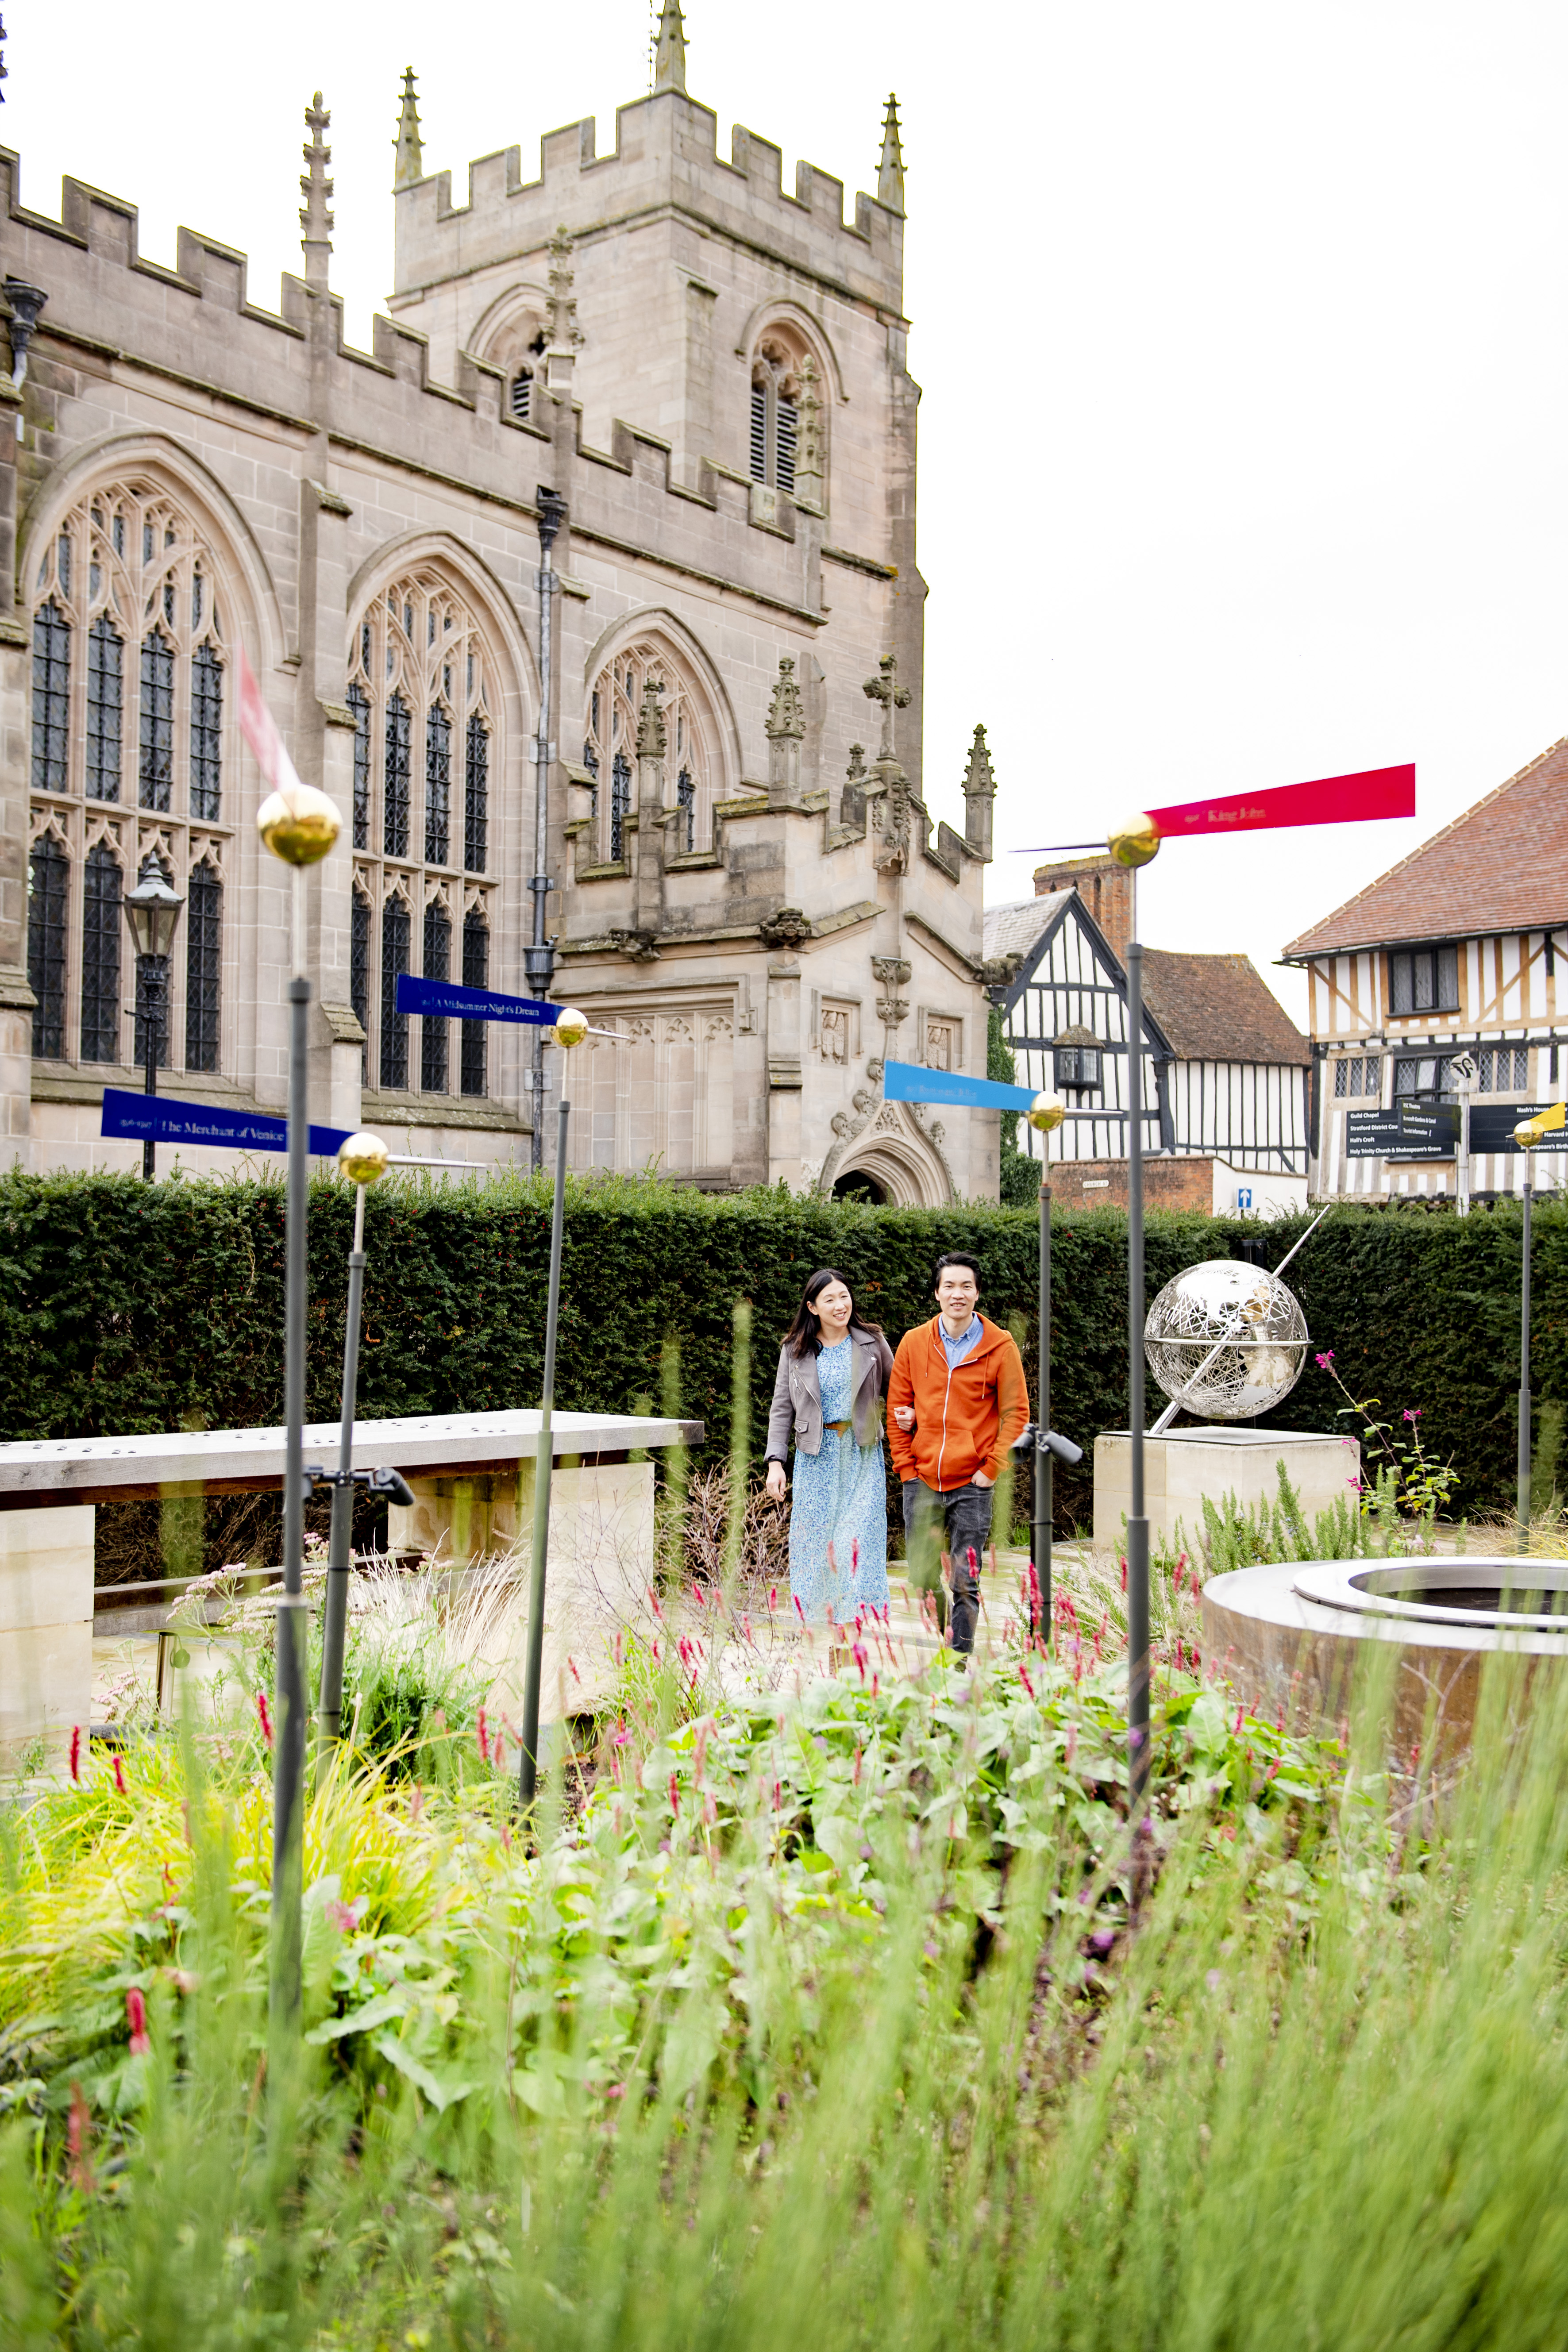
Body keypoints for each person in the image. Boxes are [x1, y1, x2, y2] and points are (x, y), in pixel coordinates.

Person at [887, 1252, 1030, 1657]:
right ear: (937, 1293)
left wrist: (991, 1470)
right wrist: (906, 1470)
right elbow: (898, 1408)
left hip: (973, 1483)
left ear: (977, 1293)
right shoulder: (914, 1343)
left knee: (966, 1580)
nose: (957, 1294)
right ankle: (948, 1636)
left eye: (966, 1286)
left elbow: (1016, 1414)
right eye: (949, 1286)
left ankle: (958, 1662)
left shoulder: (1000, 1347)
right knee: (921, 1575)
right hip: (922, 1480)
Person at [765, 1268, 895, 1624]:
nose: (841, 1305)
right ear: (812, 1307)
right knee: (816, 1542)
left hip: (862, 1452)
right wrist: (775, 1462)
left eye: (844, 1296)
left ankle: (852, 1621)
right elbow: (781, 1408)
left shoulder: (871, 1341)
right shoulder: (794, 1351)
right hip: (816, 1456)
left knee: (857, 1537)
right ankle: (819, 1621)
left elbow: (899, 1391)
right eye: (830, 1299)